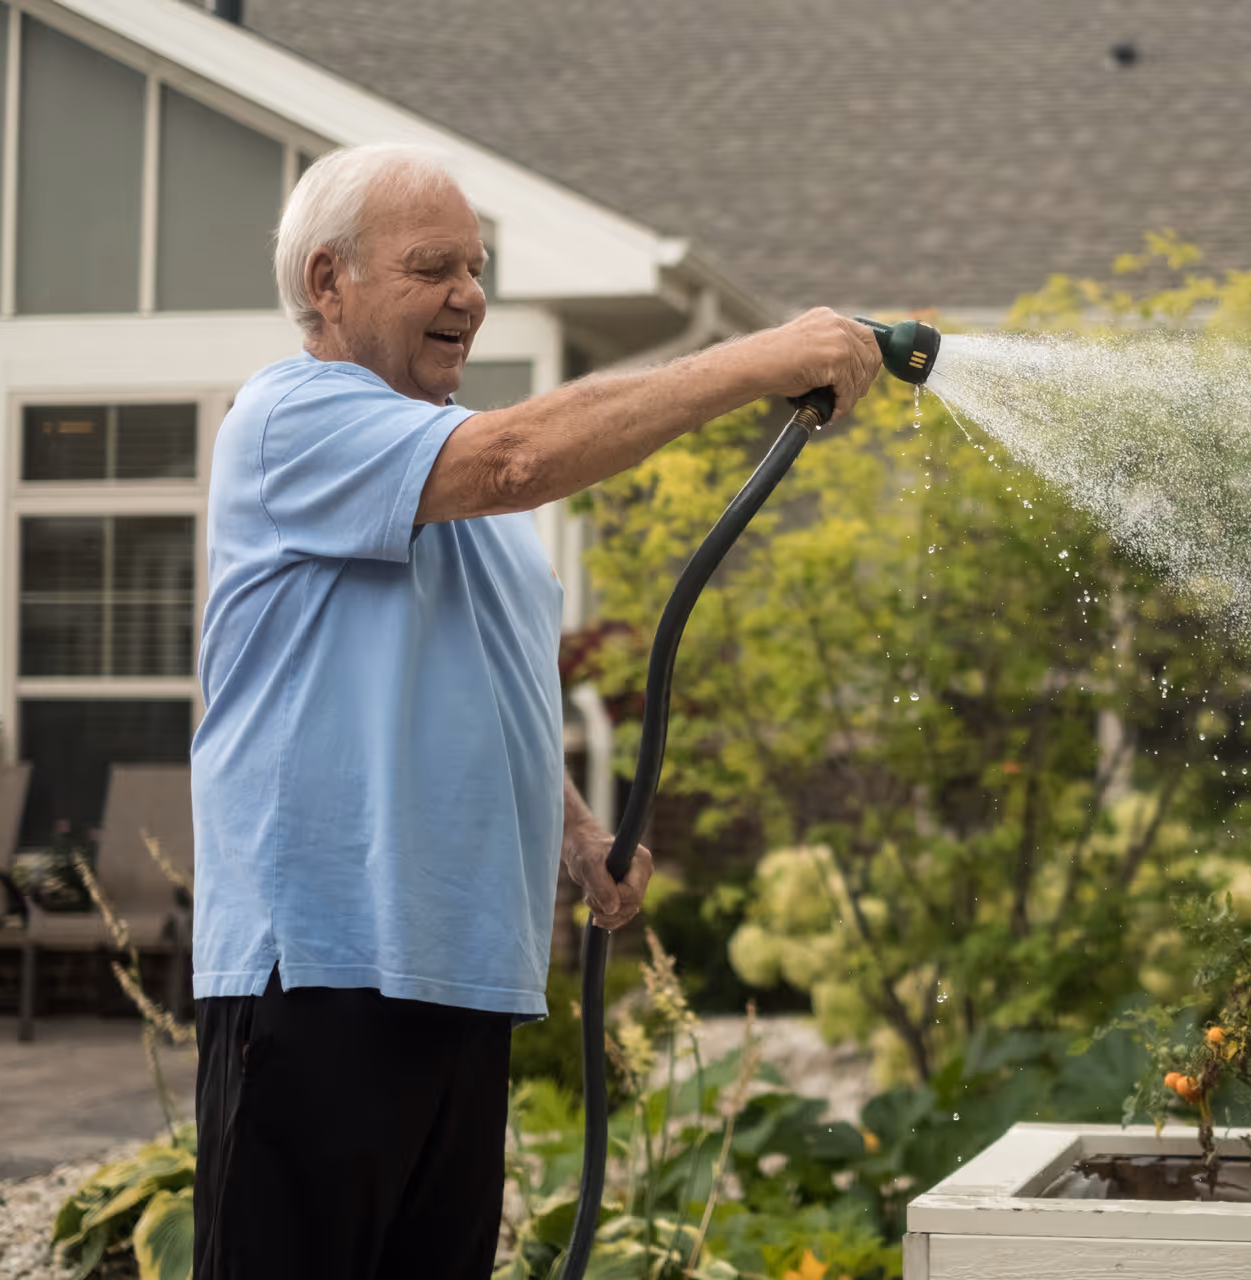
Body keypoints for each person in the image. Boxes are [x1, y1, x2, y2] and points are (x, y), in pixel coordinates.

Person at [190, 143, 880, 1279]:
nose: (468, 293)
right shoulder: (291, 420)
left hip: (457, 963)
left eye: (478, 265)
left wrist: (573, 833)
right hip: (316, 967)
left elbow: (490, 673)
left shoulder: (454, 475)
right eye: (432, 266)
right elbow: (516, 458)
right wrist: (761, 361)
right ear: (328, 283)